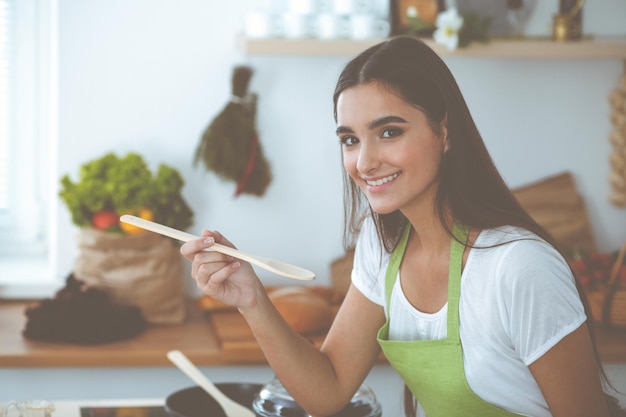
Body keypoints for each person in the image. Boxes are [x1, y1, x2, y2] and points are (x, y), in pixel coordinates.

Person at [180, 36, 625, 417]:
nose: (365, 161)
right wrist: (251, 298)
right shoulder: (382, 243)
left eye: (389, 132)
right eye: (350, 140)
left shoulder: (518, 267)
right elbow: (328, 389)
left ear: (444, 132)